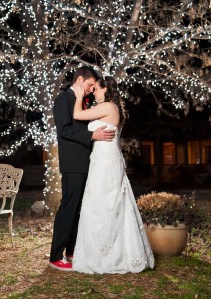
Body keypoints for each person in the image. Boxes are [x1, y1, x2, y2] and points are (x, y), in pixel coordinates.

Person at [71, 76, 155, 274]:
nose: (94, 93)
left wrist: (78, 96)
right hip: (104, 159)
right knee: (105, 204)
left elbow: (76, 115)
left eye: (97, 89)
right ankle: (104, 251)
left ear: (106, 89)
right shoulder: (111, 107)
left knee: (105, 205)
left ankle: (108, 255)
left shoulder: (108, 106)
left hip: (105, 162)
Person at [49, 66, 116, 271]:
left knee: (79, 209)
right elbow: (65, 130)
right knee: (69, 207)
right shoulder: (63, 99)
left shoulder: (84, 102)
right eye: (89, 85)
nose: (89, 90)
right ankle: (55, 256)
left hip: (88, 162)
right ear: (80, 79)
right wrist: (91, 136)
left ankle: (71, 251)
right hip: (72, 163)